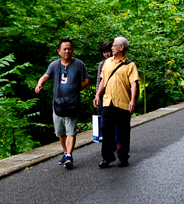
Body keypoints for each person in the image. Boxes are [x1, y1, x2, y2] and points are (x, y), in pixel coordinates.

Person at [35, 39, 91, 169]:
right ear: (59, 51)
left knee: (71, 130)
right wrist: (39, 84)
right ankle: (66, 153)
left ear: (73, 50)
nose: (67, 51)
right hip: (58, 104)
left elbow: (87, 80)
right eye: (64, 49)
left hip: (73, 103)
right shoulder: (54, 65)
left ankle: (69, 155)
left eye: (69, 48)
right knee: (60, 132)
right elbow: (45, 77)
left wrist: (76, 89)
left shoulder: (79, 64)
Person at [93, 36, 140, 168]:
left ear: (122, 48)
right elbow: (103, 80)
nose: (111, 48)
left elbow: (134, 84)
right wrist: (97, 95)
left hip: (123, 102)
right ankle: (107, 157)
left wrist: (132, 100)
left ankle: (123, 156)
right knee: (105, 129)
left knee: (123, 130)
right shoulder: (107, 63)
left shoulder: (130, 65)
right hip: (108, 101)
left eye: (114, 46)